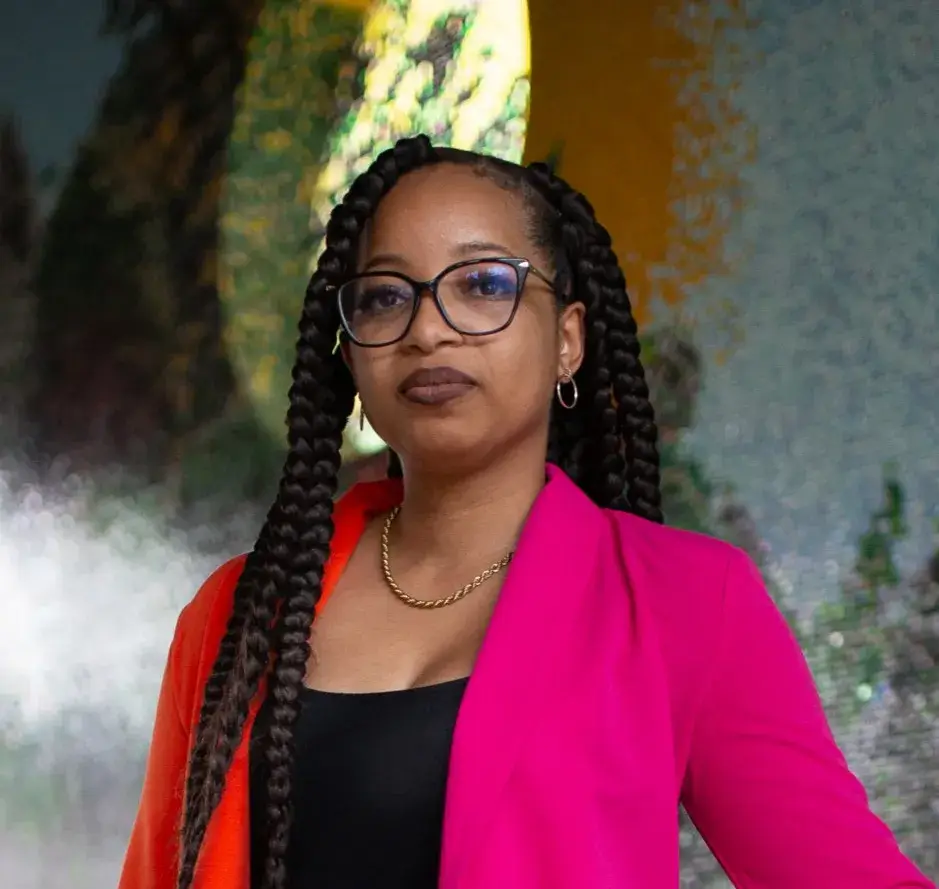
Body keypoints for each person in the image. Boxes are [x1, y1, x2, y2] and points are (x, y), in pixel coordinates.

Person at [119, 135, 935, 889]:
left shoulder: (686, 601)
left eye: (482, 285)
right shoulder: (239, 612)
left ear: (568, 339)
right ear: (348, 353)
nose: (428, 328)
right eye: (381, 298)